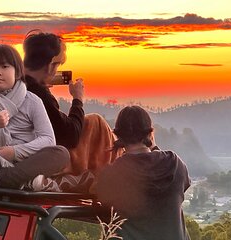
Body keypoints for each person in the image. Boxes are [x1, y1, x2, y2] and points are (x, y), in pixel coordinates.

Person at [0, 44, 70, 189]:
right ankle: (23, 181)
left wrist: (15, 152)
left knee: (61, 154)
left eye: (4, 67)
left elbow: (47, 139)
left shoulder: (32, 100)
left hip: (26, 161)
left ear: (17, 71)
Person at [22, 30, 118, 182]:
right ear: (49, 66)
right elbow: (71, 136)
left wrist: (43, 85)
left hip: (28, 150)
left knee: (91, 122)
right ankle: (109, 175)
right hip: (43, 157)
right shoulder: (38, 96)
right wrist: (77, 99)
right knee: (96, 123)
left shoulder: (16, 83)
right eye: (57, 64)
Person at [96, 106, 191, 240]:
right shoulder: (174, 164)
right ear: (150, 134)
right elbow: (183, 184)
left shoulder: (111, 175)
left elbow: (102, 200)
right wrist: (154, 147)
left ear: (118, 136)